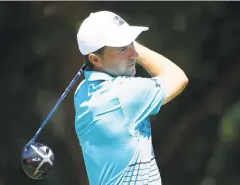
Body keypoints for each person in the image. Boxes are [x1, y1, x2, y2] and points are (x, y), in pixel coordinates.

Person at [74, 11, 188, 185]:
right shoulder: (124, 94)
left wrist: (125, 43)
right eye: (122, 48)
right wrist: (138, 47)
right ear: (95, 59)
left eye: (131, 44)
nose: (133, 54)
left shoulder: (82, 92)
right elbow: (178, 77)